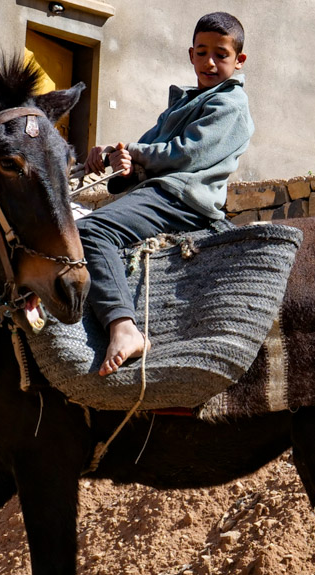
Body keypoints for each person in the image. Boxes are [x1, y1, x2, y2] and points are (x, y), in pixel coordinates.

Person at [77, 11, 254, 376]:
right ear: (191, 55)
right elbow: (145, 151)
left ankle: (124, 329)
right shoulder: (182, 103)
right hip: (158, 191)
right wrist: (118, 156)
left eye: (221, 54)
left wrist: (135, 153)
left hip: (182, 200)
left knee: (91, 231)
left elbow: (187, 154)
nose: (209, 62)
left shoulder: (231, 105)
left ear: (239, 61)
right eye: (202, 52)